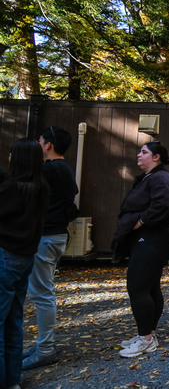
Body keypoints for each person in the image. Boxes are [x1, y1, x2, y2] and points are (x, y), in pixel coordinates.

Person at [111, 141, 169, 359]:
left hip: (155, 237)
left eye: (144, 152)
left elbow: (165, 202)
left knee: (137, 286)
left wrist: (141, 221)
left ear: (156, 157)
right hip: (151, 238)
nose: (138, 155)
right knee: (150, 287)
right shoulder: (150, 178)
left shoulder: (161, 178)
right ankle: (148, 333)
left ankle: (145, 340)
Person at [23, 127, 79, 370]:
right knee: (42, 291)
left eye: (40, 140)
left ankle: (45, 348)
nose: (38, 143)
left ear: (48, 145)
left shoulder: (49, 170)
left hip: (46, 236)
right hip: (55, 236)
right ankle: (42, 345)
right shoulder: (64, 169)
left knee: (42, 294)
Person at [0, 139, 50, 389]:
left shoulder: (9, 189)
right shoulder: (40, 188)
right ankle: (12, 380)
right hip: (25, 258)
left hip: (5, 257)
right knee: (13, 321)